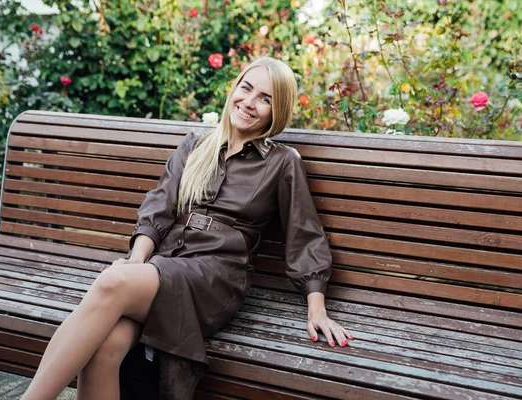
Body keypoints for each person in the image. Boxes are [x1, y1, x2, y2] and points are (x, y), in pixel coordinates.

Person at [21, 56, 352, 400]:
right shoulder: (195, 146)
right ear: (234, 89)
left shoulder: (282, 162)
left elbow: (305, 235)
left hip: (216, 276)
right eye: (246, 88)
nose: (249, 103)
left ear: (277, 110)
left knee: (112, 280)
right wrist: (138, 260)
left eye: (265, 99)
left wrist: (317, 308)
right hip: (167, 263)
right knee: (105, 349)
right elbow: (158, 208)